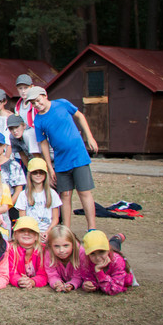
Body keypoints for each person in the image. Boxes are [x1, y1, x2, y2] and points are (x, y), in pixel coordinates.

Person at [27, 87, 100, 231]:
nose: (37, 104)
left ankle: (92, 228)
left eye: (38, 100)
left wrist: (90, 137)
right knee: (65, 194)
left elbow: (80, 116)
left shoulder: (62, 104)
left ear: (44, 95)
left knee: (84, 191)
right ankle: (66, 229)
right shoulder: (39, 120)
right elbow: (43, 143)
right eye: (33, 103)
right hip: (60, 160)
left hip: (78, 155)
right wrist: (49, 167)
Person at [14, 158, 62, 239]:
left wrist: (47, 232)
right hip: (30, 232)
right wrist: (35, 233)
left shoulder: (52, 193)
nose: (38, 175)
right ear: (30, 174)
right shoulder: (23, 195)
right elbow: (22, 219)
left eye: (41, 172)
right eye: (35, 173)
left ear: (45, 175)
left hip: (49, 232)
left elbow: (55, 219)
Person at [79, 230, 135, 295]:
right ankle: (116, 239)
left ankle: (117, 238)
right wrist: (88, 284)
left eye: (101, 252)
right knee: (114, 245)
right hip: (110, 253)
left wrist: (99, 272)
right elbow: (89, 279)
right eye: (92, 253)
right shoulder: (86, 260)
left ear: (108, 250)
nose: (97, 257)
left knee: (115, 245)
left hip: (124, 276)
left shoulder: (117, 261)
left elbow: (113, 290)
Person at [7, 216, 47, 289]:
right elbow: (11, 272)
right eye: (22, 230)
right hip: (20, 279)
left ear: (36, 236)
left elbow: (44, 275)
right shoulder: (11, 250)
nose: (26, 233)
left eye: (31, 231)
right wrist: (19, 280)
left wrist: (32, 282)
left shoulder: (43, 250)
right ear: (15, 234)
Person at [45, 225, 86, 293]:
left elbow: (78, 276)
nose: (61, 250)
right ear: (50, 245)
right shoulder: (49, 253)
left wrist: (71, 284)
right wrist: (56, 283)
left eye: (66, 245)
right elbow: (51, 274)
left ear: (73, 244)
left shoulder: (80, 252)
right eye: (56, 246)